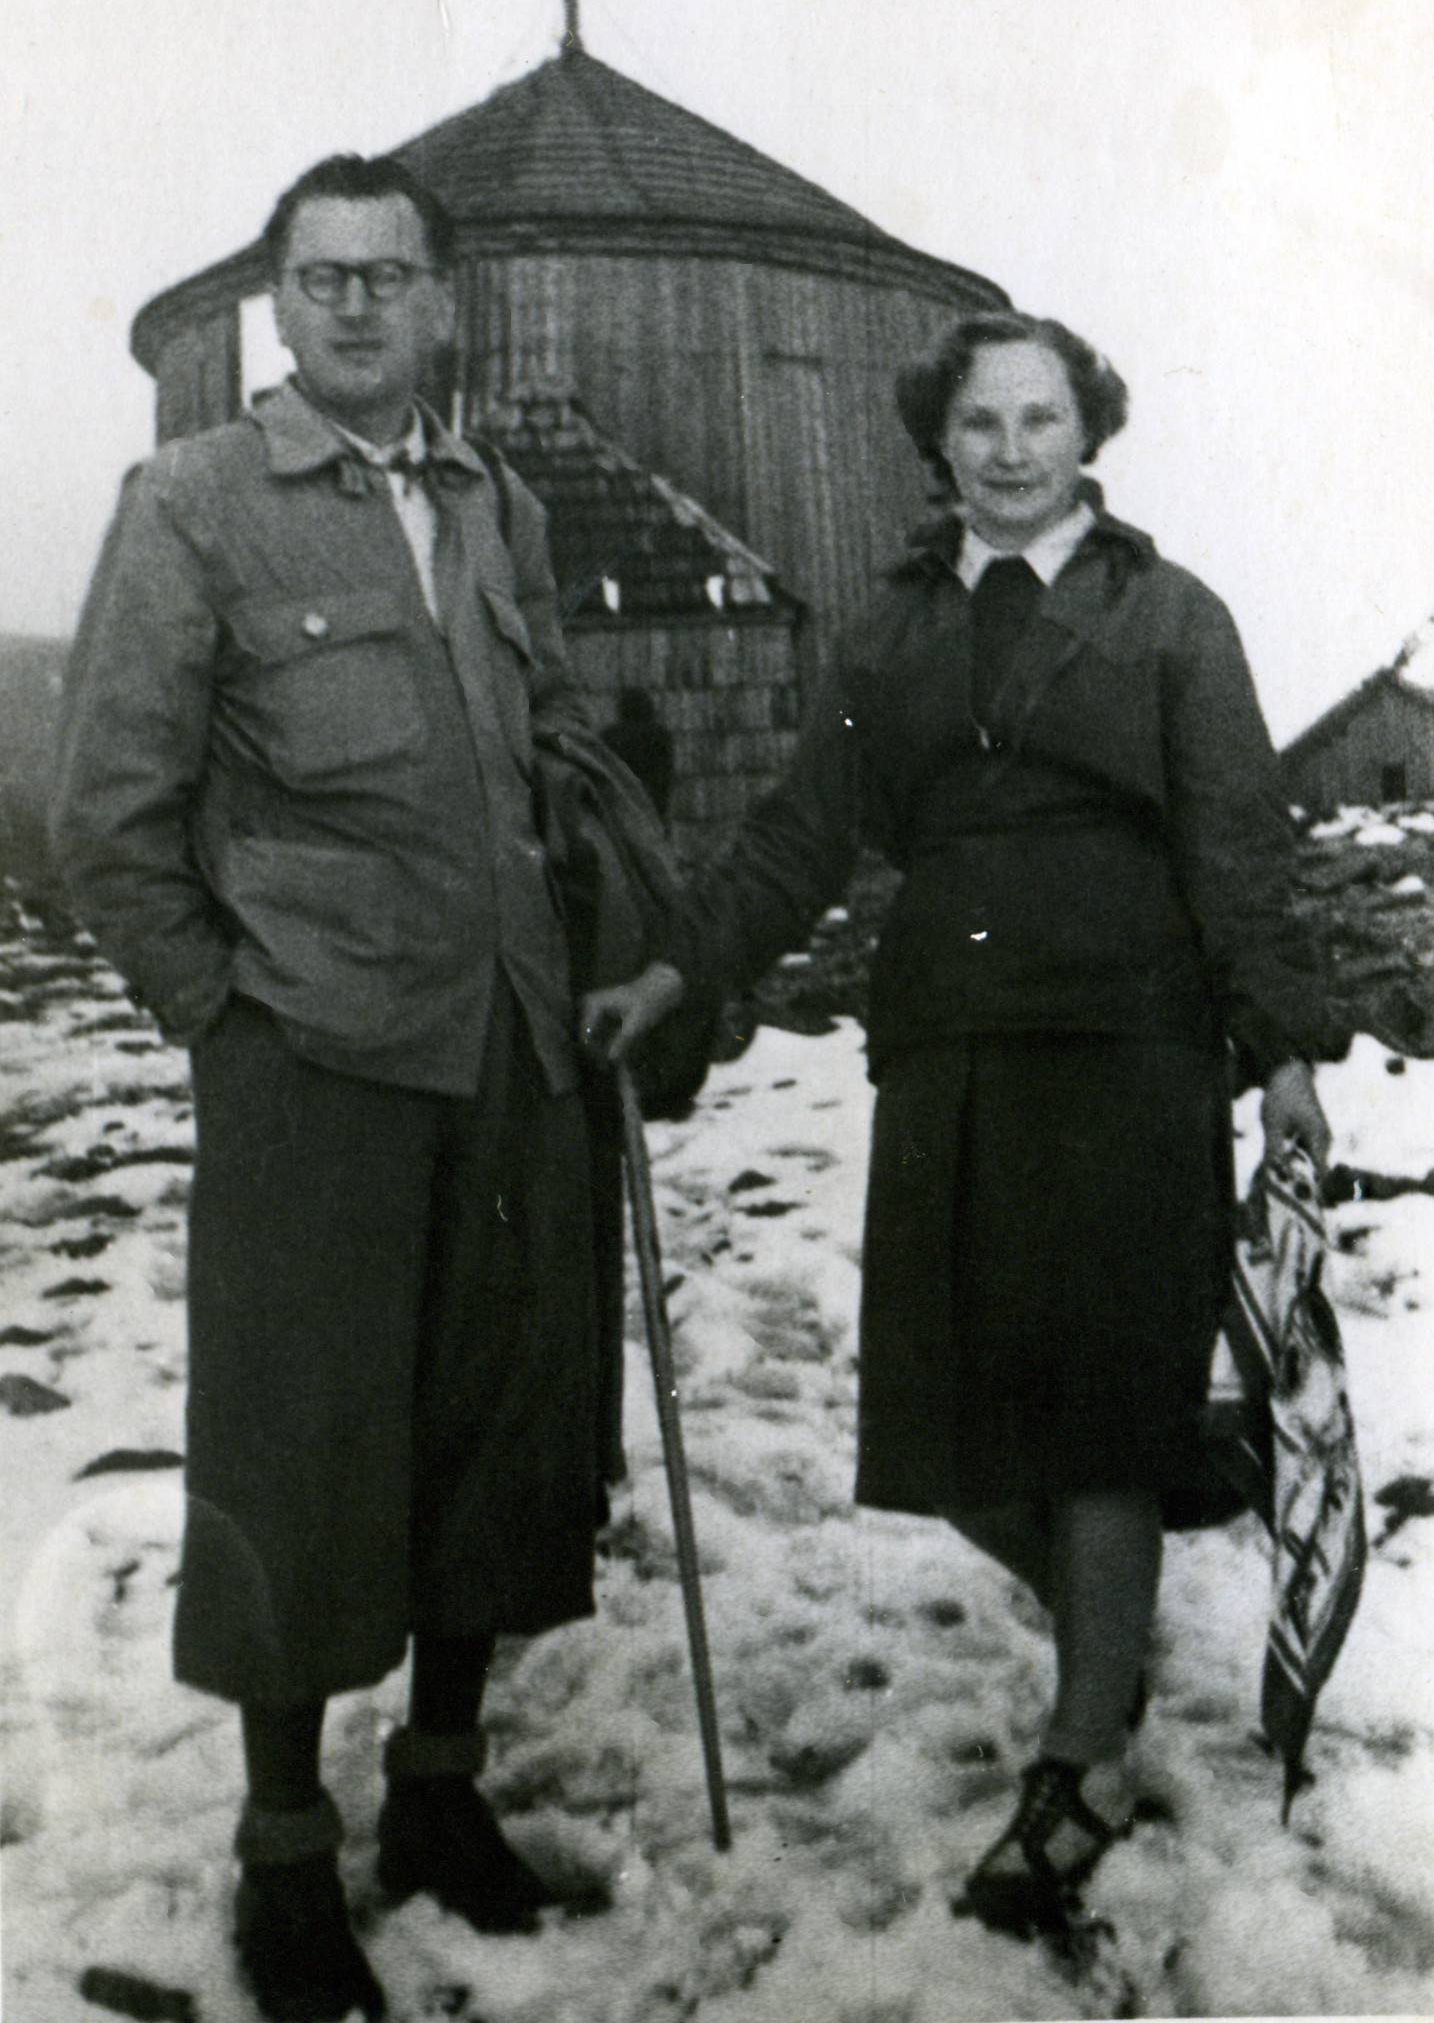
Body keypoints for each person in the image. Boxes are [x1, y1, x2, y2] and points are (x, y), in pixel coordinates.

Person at [584, 309, 1346, 1940]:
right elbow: (797, 835)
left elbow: (1236, 843)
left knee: (1100, 1414)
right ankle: (1107, 1642)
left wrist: (1282, 1047)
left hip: (1127, 1051)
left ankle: (1082, 1757)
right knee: (954, 1429)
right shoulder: (887, 631)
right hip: (948, 1054)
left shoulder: (1168, 617)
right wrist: (677, 969)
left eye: (1038, 420)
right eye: (979, 424)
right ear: (939, 443)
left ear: (1089, 435)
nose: (1009, 452)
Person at [51, 153, 675, 2021]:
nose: (350, 307)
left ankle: (437, 1796)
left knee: (495, 1429)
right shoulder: (193, 504)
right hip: (312, 1064)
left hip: (507, 1042)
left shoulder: (493, 505)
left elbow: (543, 736)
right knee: (299, 1455)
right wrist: (221, 1016)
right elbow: (108, 813)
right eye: (318, 277)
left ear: (439, 301)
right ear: (279, 300)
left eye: (384, 276)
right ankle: (281, 1857)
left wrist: (593, 873)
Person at [601, 685, 675, 823]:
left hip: (620, 803)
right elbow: (665, 776)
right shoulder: (660, 736)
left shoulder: (609, 736)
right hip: (650, 801)